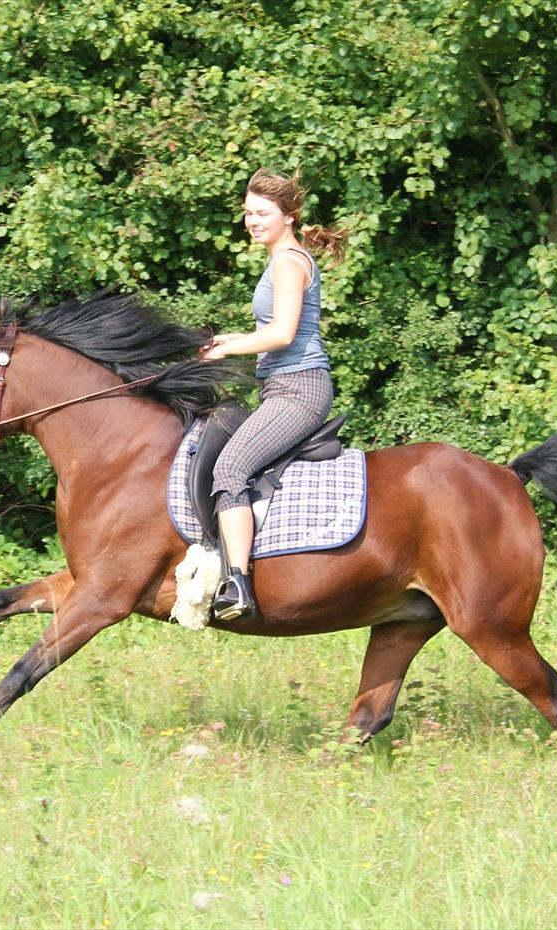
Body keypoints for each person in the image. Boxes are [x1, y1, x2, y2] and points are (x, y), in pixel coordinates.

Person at [201, 167, 348, 622]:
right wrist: (231, 338)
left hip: (299, 390)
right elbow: (272, 329)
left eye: (262, 213)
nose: (252, 220)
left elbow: (282, 334)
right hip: (281, 388)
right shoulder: (281, 258)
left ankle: (238, 585)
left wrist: (228, 347)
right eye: (248, 212)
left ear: (288, 216)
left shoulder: (288, 261)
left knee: (229, 467)